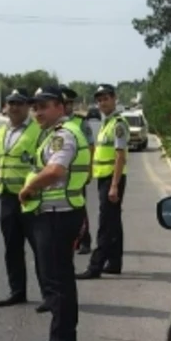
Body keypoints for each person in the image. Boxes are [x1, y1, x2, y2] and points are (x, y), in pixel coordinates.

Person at [18, 86, 91, 341]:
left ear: (61, 107)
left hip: (57, 216)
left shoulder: (62, 136)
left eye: (44, 106)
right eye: (35, 107)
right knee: (63, 280)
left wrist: (28, 189)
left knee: (57, 282)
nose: (37, 112)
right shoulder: (58, 133)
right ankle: (64, 337)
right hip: (61, 213)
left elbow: (56, 170)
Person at [0, 88, 43, 307]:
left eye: (19, 103)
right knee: (12, 248)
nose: (14, 107)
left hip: (32, 199)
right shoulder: (2, 132)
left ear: (28, 106)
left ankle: (49, 295)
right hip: (8, 198)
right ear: (6, 106)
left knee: (40, 249)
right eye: (11, 103)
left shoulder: (38, 131)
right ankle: (17, 291)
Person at [78, 84, 129, 279]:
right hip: (104, 178)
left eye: (106, 98)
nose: (102, 103)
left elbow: (120, 156)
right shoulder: (106, 123)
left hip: (111, 179)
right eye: (99, 100)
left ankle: (95, 266)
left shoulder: (117, 124)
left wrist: (114, 185)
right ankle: (115, 262)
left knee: (105, 223)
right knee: (114, 222)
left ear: (114, 99)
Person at [60, 86, 94, 256]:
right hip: (58, 175)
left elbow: (90, 147)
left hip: (76, 175)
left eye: (69, 103)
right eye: (64, 103)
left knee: (79, 207)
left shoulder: (81, 122)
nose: (67, 106)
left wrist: (89, 171)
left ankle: (84, 240)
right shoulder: (54, 123)